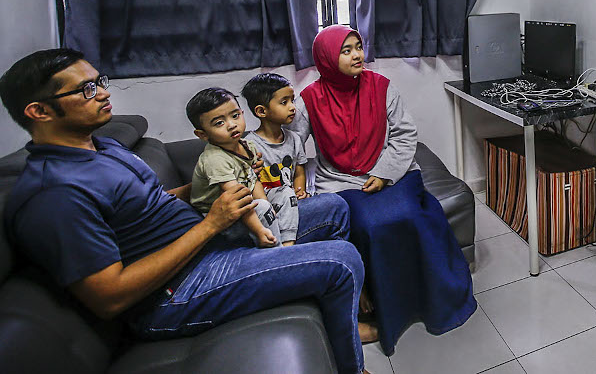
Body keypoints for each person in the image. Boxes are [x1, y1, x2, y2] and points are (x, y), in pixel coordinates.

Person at [0, 49, 369, 374]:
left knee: (333, 207)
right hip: (173, 294)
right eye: (86, 90)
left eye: (99, 81)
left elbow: (146, 203)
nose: (105, 93)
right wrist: (211, 224)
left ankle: (339, 316)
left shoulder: (101, 146)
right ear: (40, 111)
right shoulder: (54, 194)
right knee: (340, 260)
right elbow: (109, 296)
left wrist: (208, 190)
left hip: (205, 244)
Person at [288, 25, 477, 355]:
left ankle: (435, 299)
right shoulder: (308, 100)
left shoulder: (382, 87)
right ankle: (390, 309)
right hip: (343, 181)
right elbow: (289, 146)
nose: (357, 55)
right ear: (327, 59)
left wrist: (384, 173)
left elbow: (405, 136)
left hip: (393, 171)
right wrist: (294, 179)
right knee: (371, 225)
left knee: (412, 216)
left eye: (358, 47)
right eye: (345, 51)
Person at [186, 87, 282, 247]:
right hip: (220, 218)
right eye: (219, 123)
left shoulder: (247, 145)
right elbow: (236, 198)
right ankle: (274, 250)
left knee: (282, 193)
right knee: (263, 207)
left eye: (235, 116)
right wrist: (259, 230)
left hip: (244, 204)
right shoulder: (215, 159)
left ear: (242, 113)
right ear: (203, 135)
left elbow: (253, 181)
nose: (231, 125)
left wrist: (268, 207)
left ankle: (287, 242)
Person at [241, 73, 309, 243]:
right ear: (261, 111)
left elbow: (299, 171)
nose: (293, 107)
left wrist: (300, 191)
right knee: (285, 193)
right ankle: (286, 245)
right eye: (284, 102)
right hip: (266, 204)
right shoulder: (249, 145)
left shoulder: (294, 139)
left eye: (292, 100)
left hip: (290, 200)